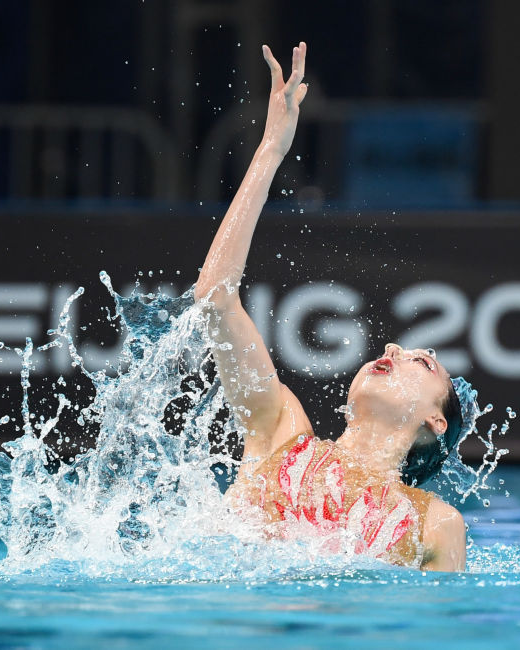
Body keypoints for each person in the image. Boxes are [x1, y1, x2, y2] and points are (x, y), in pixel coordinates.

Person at [194, 42, 466, 572]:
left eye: (423, 361)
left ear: (436, 421)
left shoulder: (436, 524)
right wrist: (271, 148)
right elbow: (214, 300)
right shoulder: (278, 431)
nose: (392, 347)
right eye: (401, 347)